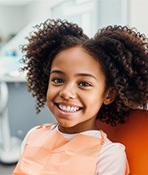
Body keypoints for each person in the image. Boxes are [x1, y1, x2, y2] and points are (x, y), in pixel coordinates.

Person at [13, 19, 148, 175]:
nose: (66, 92)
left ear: (108, 94)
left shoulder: (108, 156)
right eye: (58, 80)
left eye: (84, 84)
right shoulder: (33, 135)